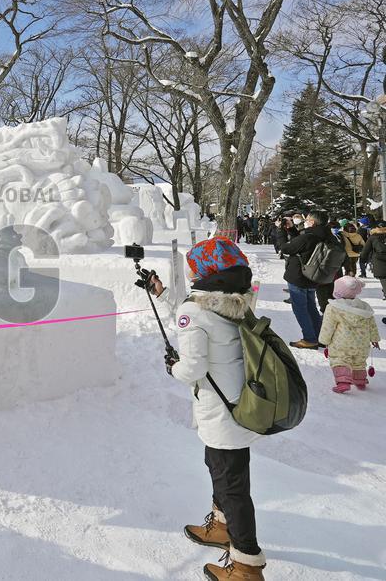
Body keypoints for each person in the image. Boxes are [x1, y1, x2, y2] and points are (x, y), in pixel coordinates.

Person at [150, 236, 267, 581]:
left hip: (219, 411)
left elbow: (193, 369)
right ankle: (221, 525)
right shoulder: (238, 299)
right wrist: (162, 294)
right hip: (240, 404)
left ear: (204, 271)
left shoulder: (196, 311)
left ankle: (246, 564)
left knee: (231, 484)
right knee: (222, 469)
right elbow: (200, 317)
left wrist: (173, 367)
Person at [280, 211, 333, 349]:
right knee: (311, 307)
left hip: (299, 276)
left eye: (307, 219)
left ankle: (309, 339)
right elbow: (302, 243)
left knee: (300, 309)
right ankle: (321, 337)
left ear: (313, 222)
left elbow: (286, 248)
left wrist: (280, 231)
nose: (305, 220)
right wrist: (291, 229)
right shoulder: (326, 235)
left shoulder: (309, 236)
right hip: (314, 276)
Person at [319, 276, 379, 393]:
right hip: (362, 343)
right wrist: (374, 338)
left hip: (341, 343)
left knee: (340, 359)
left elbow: (328, 326)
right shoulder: (364, 308)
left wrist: (324, 340)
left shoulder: (333, 307)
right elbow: (372, 325)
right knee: (359, 361)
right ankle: (360, 380)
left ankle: (343, 382)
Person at [360, 221, 386, 300]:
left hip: (379, 262)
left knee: (384, 278)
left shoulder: (373, 237)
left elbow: (366, 250)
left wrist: (363, 260)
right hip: (380, 261)